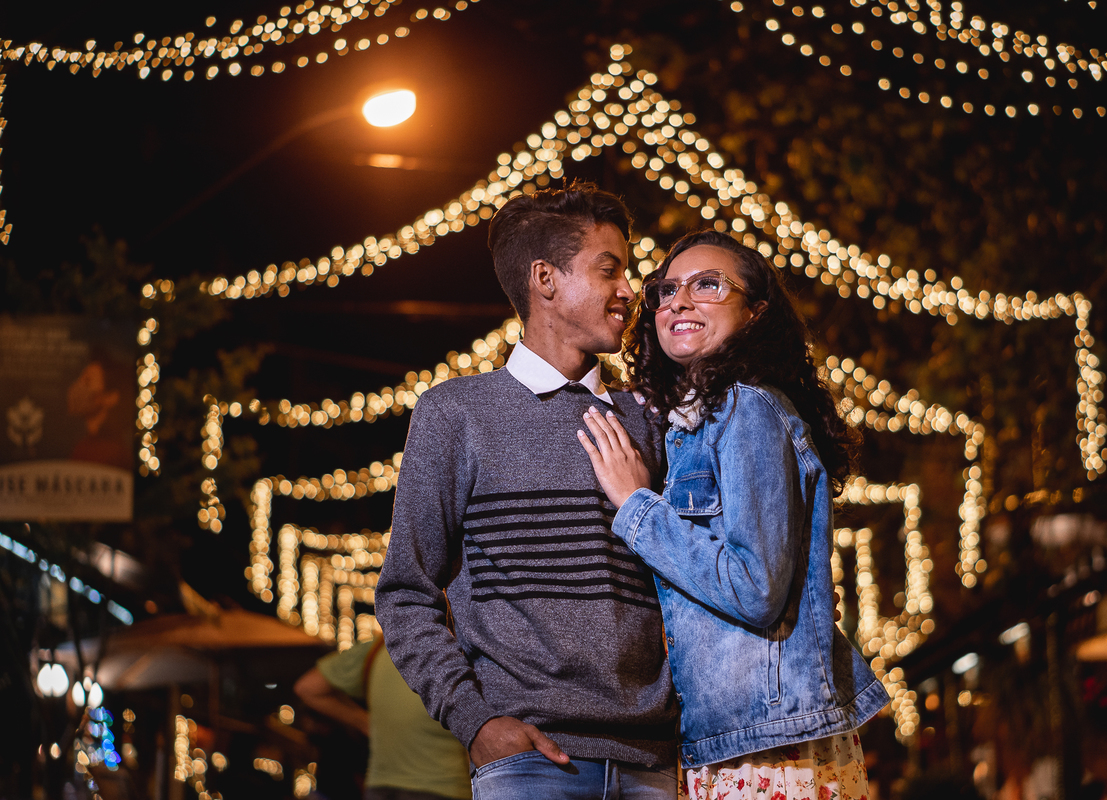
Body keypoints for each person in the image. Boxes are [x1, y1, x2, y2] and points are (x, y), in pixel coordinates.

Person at [375, 182, 678, 800]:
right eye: (609, 270)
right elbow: (405, 592)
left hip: (654, 764)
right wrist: (476, 722)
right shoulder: (456, 414)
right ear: (545, 279)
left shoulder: (651, 419)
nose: (630, 290)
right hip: (530, 766)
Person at [577, 230, 889, 800]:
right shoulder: (694, 422)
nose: (679, 301)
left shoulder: (747, 408)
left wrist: (637, 506)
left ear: (756, 312)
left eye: (708, 286)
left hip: (769, 745)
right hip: (735, 737)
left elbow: (756, 587)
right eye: (666, 290)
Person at [293, 638, 472, 800]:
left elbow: (307, 687)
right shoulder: (462, 650)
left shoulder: (378, 647)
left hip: (379, 788)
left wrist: (363, 722)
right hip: (446, 789)